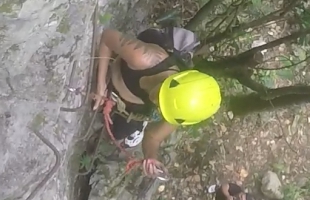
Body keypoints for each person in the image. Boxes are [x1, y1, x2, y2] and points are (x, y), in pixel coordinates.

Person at [91, 24, 222, 177]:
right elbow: (107, 37)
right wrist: (101, 86)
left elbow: (154, 137)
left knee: (119, 132)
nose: (156, 104)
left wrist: (151, 157)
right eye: (161, 96)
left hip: (132, 105)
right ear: (172, 81)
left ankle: (138, 123)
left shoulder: (179, 110)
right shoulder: (144, 58)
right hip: (120, 76)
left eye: (162, 108)